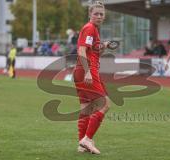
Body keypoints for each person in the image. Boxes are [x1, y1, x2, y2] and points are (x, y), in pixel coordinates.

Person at [73, 1, 110, 154]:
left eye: (101, 14)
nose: (99, 16)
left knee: (86, 109)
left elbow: (93, 52)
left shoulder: (94, 30)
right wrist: (88, 71)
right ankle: (87, 139)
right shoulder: (89, 28)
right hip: (87, 71)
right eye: (96, 13)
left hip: (80, 71)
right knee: (105, 104)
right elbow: (81, 51)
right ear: (90, 14)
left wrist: (103, 47)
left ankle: (82, 144)